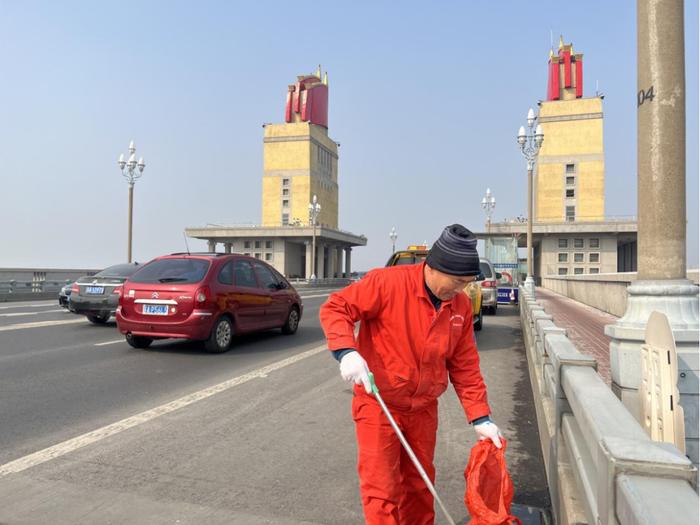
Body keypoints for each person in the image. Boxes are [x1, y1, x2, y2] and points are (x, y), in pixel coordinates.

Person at [320, 224, 501, 525]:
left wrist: (480, 416)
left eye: (467, 283)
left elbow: (464, 363)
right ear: (433, 268)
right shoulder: (386, 283)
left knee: (419, 484)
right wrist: (346, 350)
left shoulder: (459, 306)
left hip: (423, 409)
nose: (461, 290)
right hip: (380, 405)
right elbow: (336, 308)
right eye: (457, 282)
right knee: (382, 489)